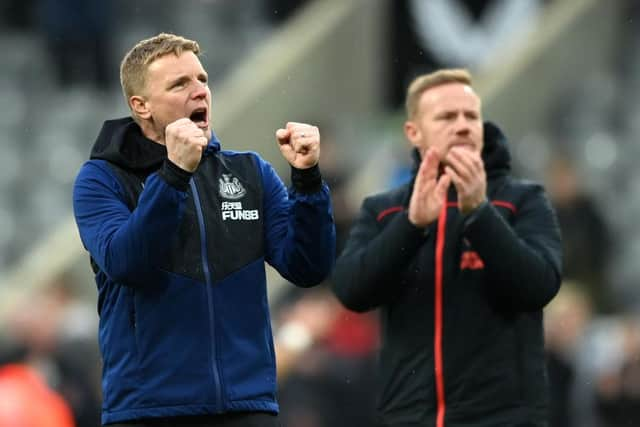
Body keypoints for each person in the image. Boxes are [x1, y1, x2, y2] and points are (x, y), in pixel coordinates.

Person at [72, 33, 336, 426]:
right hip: (150, 409)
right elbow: (129, 263)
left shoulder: (249, 172)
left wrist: (308, 182)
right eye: (180, 84)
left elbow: (307, 266)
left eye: (202, 79)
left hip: (248, 405)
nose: (200, 91)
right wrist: (174, 175)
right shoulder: (101, 179)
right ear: (140, 106)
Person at [332, 68, 562, 426]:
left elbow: (540, 286)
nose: (463, 125)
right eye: (446, 116)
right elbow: (351, 290)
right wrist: (411, 226)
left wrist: (480, 215)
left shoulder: (523, 200)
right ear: (414, 132)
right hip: (410, 416)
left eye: (471, 115)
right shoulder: (384, 210)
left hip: (503, 418)